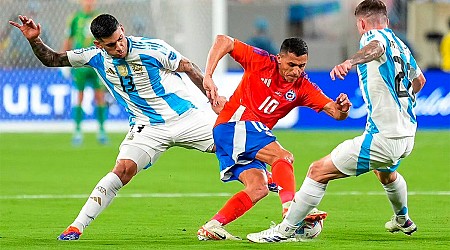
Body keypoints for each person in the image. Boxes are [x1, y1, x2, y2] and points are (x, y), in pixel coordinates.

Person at [9, 13, 224, 241]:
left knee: (236, 145)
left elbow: (189, 67)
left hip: (186, 118)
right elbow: (52, 59)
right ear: (98, 45)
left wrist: (213, 99)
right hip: (146, 128)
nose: (119, 46)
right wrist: (34, 40)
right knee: (122, 170)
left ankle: (263, 182)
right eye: (111, 45)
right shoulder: (94, 57)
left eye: (120, 38)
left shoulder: (151, 48)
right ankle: (76, 227)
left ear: (122, 29)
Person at [246, 0, 426, 243]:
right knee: (385, 172)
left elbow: (375, 48)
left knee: (317, 171)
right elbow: (420, 81)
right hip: (406, 136)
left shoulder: (373, 37)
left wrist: (350, 62)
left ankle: (284, 230)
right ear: (387, 19)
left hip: (383, 138)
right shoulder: (402, 46)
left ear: (362, 22)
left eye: (358, 25)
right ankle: (403, 219)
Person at [197, 35, 352, 241]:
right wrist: (208, 75)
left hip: (242, 135)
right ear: (279, 58)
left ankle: (213, 225)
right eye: (291, 64)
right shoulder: (261, 61)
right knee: (283, 157)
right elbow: (223, 40)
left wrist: (343, 109)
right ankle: (291, 209)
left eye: (302, 65)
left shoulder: (303, 86)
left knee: (258, 187)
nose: (296, 71)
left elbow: (335, 113)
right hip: (234, 124)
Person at [62, 0, 108, 145]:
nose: (89, 3)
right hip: (81, 62)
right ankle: (77, 130)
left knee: (99, 96)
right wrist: (64, 61)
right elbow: (69, 40)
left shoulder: (100, 19)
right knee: (79, 96)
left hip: (97, 63)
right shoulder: (75, 18)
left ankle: (101, 130)